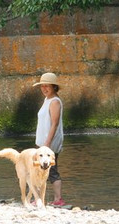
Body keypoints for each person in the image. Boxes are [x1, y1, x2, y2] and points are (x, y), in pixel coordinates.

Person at [33, 72, 65, 207]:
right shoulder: (47, 99)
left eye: (47, 86)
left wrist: (46, 144)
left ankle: (57, 199)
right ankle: (42, 198)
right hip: (43, 143)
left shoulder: (55, 102)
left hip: (48, 144)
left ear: (54, 87)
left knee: (49, 169)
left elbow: (54, 124)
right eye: (42, 86)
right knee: (41, 170)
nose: (44, 89)